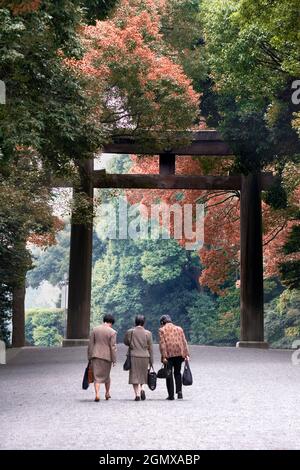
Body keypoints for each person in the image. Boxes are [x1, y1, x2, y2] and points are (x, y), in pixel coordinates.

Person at [158, 314, 190, 400]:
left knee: (169, 373)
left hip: (169, 355)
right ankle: (179, 392)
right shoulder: (179, 329)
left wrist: (164, 356)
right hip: (179, 354)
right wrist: (186, 354)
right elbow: (184, 341)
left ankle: (171, 395)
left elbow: (162, 344)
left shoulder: (162, 330)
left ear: (162, 322)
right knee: (177, 372)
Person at [87, 314, 117, 402]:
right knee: (107, 376)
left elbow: (91, 344)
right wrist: (114, 360)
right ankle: (107, 393)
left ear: (104, 320)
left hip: (95, 355)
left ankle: (97, 394)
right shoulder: (112, 332)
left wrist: (89, 356)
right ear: (111, 323)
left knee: (97, 377)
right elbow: (113, 347)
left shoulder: (95, 330)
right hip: (107, 357)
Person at [124, 315, 153, 401]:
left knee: (134, 376)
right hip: (145, 356)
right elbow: (150, 348)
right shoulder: (148, 333)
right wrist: (151, 361)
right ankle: (142, 388)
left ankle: (137, 394)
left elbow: (126, 342)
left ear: (135, 322)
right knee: (143, 374)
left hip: (134, 356)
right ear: (144, 322)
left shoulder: (130, 332)